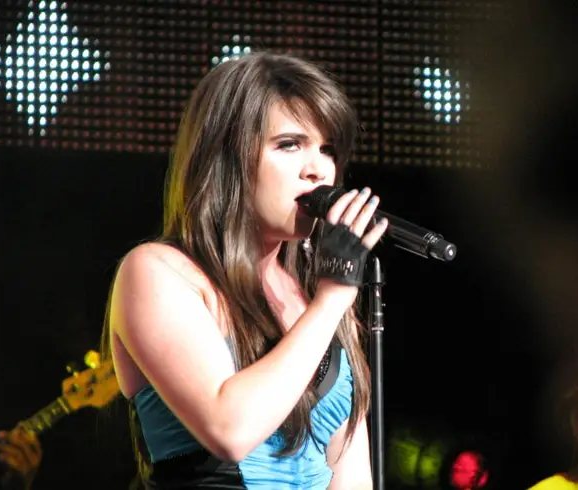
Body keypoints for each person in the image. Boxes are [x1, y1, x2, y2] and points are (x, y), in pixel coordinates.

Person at [100, 50, 389, 489]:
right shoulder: (157, 273)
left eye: (328, 150)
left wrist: (329, 301)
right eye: (289, 144)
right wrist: (331, 301)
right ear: (227, 156)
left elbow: (350, 474)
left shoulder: (317, 297)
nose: (318, 170)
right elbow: (229, 430)